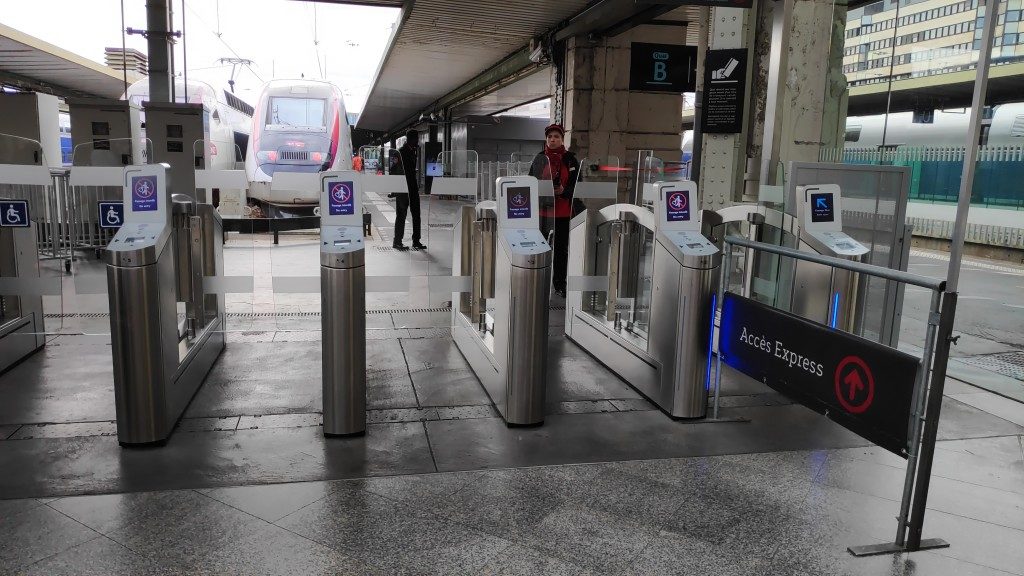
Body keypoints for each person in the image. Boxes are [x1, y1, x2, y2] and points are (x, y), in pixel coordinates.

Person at [530, 123, 579, 298]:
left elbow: (577, 184)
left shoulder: (571, 159)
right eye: (549, 137)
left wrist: (563, 191)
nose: (552, 139)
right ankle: (537, 282)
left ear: (562, 139)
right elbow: (531, 182)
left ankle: (559, 284)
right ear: (546, 139)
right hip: (542, 213)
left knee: (560, 251)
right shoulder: (539, 158)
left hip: (563, 213)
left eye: (556, 136)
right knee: (539, 248)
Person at [392, 130, 426, 251]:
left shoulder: (413, 151)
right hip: (403, 188)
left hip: (412, 187)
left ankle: (416, 241)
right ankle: (397, 241)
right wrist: (395, 188)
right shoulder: (400, 152)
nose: (418, 141)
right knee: (401, 214)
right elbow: (394, 170)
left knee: (416, 214)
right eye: (416, 139)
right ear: (411, 139)